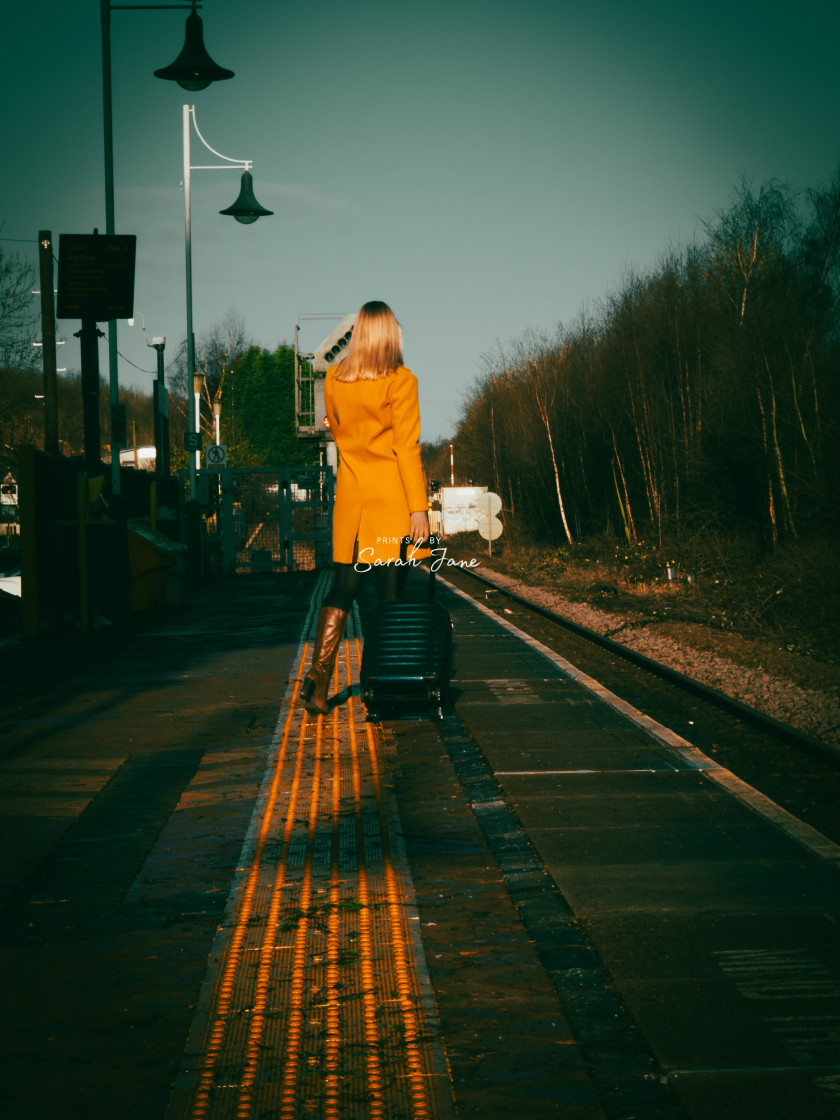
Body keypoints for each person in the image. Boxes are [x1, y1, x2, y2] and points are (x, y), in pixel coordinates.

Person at [301, 300, 431, 716]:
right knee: (389, 596)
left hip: (352, 500)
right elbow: (406, 449)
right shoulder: (401, 382)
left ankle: (318, 678)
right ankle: (383, 684)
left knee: (344, 589)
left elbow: (336, 431)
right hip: (390, 500)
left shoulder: (337, 379)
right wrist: (419, 509)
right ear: (389, 336)